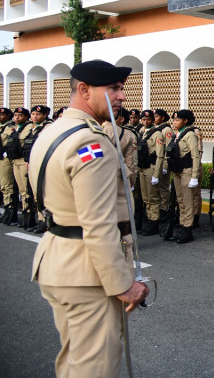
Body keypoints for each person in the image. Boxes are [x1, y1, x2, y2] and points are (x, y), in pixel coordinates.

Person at [29, 59, 148, 377]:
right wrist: (123, 284)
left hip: (59, 260)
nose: (122, 96)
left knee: (74, 361)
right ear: (83, 90)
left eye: (121, 88)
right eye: (113, 88)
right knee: (94, 367)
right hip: (86, 274)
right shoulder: (90, 142)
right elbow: (97, 222)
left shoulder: (54, 130)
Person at [166, 110, 201, 244]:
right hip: (177, 171)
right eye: (174, 120)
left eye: (177, 120)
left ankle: (188, 229)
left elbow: (195, 156)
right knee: (180, 201)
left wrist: (194, 175)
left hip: (187, 171)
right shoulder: (178, 134)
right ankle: (182, 225)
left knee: (187, 202)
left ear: (185, 121)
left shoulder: (190, 134)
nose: (175, 122)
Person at [24, 105, 54, 233]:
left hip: (42, 163)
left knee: (42, 193)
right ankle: (40, 220)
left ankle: (46, 222)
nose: (35, 116)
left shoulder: (48, 127)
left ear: (45, 115)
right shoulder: (30, 127)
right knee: (34, 193)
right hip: (30, 162)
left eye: (38, 114)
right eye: (33, 114)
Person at [137, 110, 166, 236]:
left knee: (153, 197)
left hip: (151, 168)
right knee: (146, 197)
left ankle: (154, 223)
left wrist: (156, 173)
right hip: (142, 167)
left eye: (148, 119)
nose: (146, 121)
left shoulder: (157, 133)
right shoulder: (141, 132)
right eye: (143, 119)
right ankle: (149, 220)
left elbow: (160, 155)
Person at [9, 107, 34, 228]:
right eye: (15, 115)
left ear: (26, 117)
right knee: (21, 190)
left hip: (24, 161)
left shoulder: (30, 127)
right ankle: (25, 215)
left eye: (20, 116)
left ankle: (29, 216)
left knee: (26, 190)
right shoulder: (15, 127)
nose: (17, 118)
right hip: (15, 160)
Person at [153, 109, 174, 223]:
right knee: (156, 189)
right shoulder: (155, 129)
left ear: (162, 117)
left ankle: (164, 209)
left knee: (164, 188)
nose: (154, 118)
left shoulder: (166, 130)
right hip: (156, 163)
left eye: (156, 116)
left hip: (163, 163)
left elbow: (168, 149)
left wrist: (165, 166)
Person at [0, 107, 16, 224]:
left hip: (5, 159)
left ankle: (9, 210)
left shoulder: (10, 127)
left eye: (2, 115)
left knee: (7, 185)